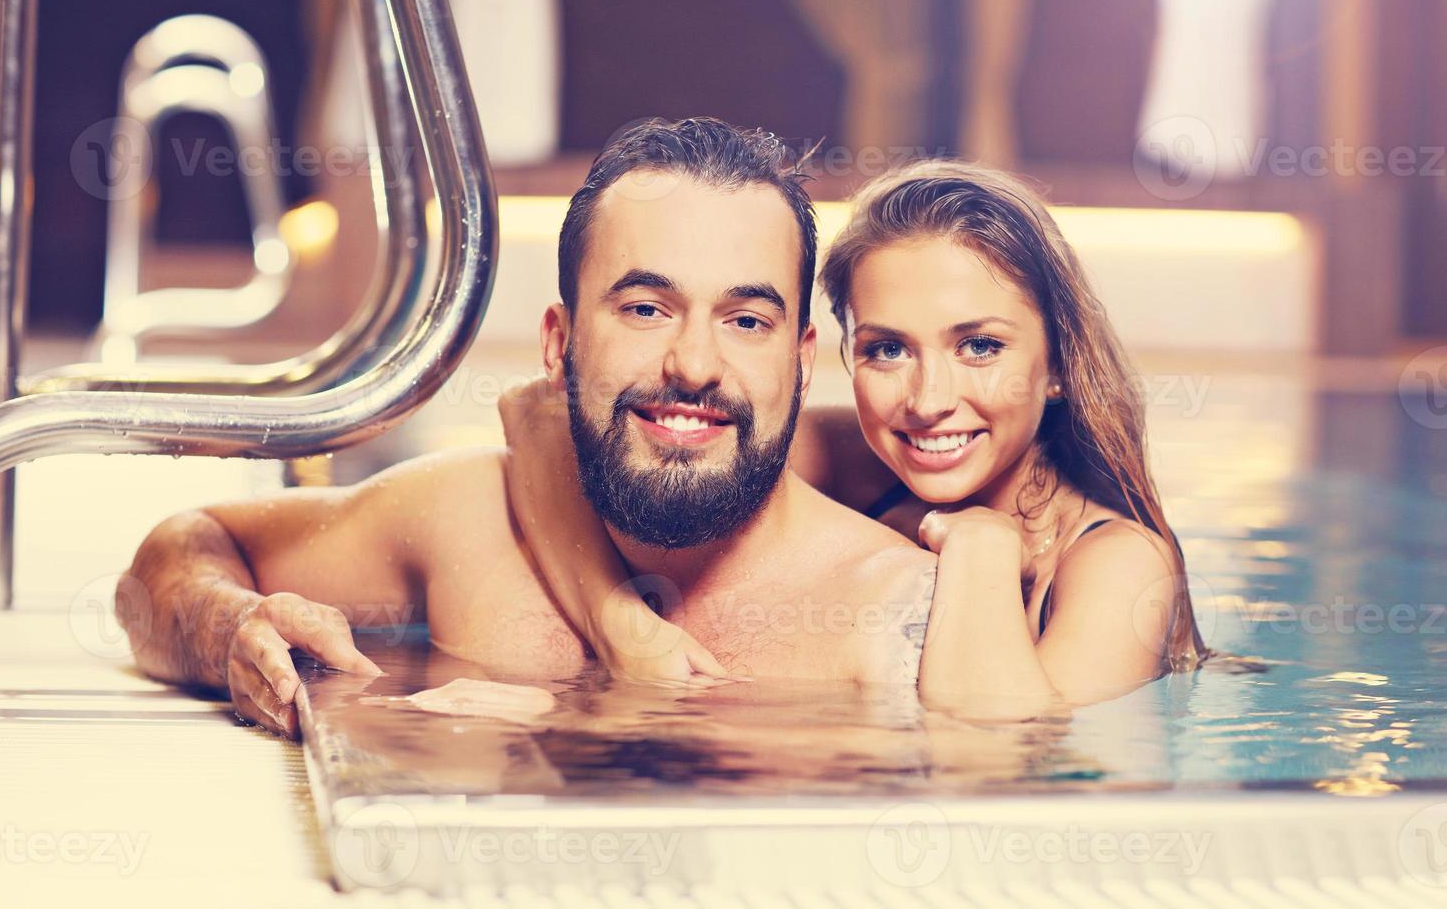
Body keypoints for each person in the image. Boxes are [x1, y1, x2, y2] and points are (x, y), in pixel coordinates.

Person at [115, 118, 937, 739]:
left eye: (746, 320)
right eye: (646, 309)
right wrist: (228, 626)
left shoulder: (893, 613)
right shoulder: (464, 521)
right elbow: (177, 552)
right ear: (559, 341)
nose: (695, 363)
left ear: (801, 359)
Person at [501, 159, 1209, 717]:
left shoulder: (1120, 563)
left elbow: (1008, 770)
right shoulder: (857, 459)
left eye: (980, 347)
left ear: (1057, 366)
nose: (929, 402)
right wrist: (619, 624)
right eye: (887, 351)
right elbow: (538, 420)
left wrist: (984, 548)